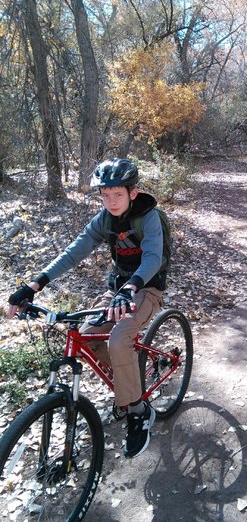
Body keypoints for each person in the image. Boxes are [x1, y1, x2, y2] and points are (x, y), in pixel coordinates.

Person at [8, 158, 166, 459]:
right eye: (104, 196)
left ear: (133, 192)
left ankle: (138, 410)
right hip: (118, 289)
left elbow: (153, 258)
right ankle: (128, 379)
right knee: (88, 336)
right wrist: (34, 284)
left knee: (119, 340)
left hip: (146, 287)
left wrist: (131, 287)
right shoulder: (104, 220)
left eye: (117, 194)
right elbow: (73, 252)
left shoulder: (148, 217)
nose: (110, 201)